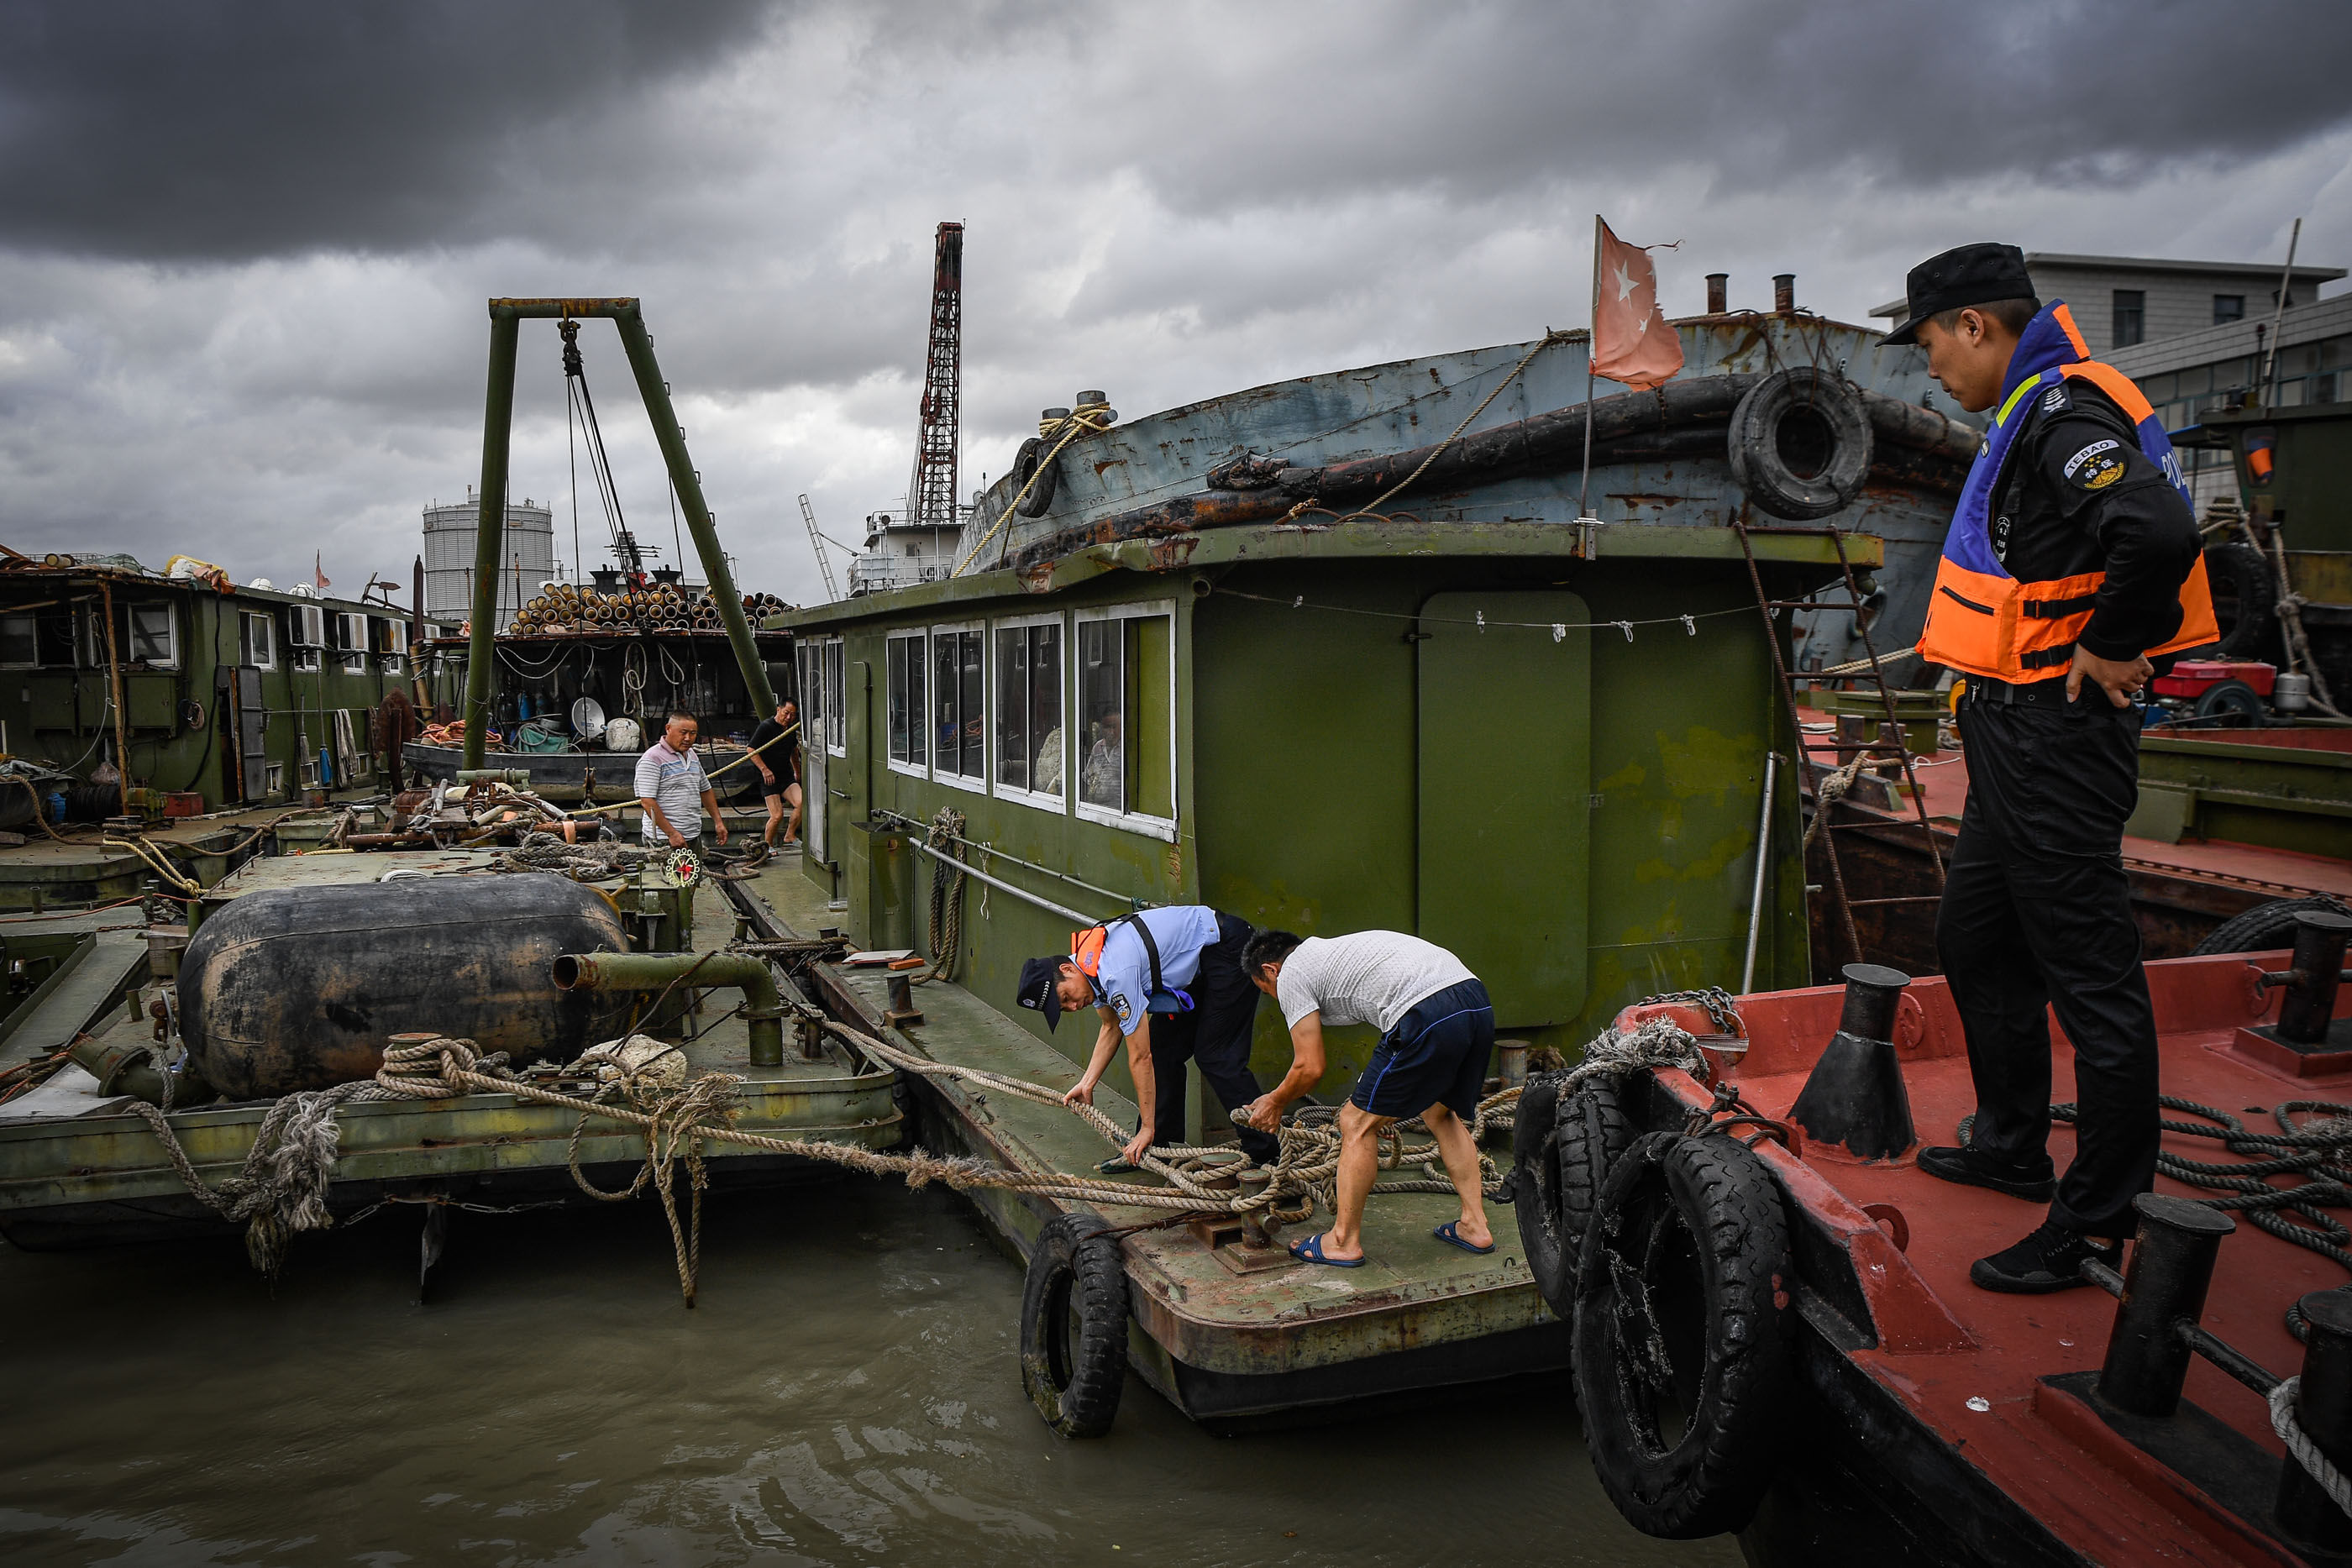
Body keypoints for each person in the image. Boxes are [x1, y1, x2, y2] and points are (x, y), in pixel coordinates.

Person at [1887, 243, 2215, 1293]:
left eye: (1932, 343)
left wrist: (2116, 640)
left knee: (2091, 976)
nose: (1929, 366)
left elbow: (2158, 528)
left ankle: (2096, 1218)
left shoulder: (2064, 416)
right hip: (2010, 730)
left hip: (2055, 738)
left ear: (1976, 327)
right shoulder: (2029, 407)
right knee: (1974, 934)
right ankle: (2012, 1141)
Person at [1232, 928, 1494, 1267]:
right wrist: (1382, 1108)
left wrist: (1275, 1101)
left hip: (1426, 1009)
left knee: (1354, 1122)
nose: (1275, 998)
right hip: (1474, 1002)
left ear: (1270, 970)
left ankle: (1342, 1241)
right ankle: (1475, 1225)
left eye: (1266, 990)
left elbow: (1309, 1067)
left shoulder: (1292, 972)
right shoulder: (1332, 955)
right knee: (1439, 1113)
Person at [1012, 905, 1278, 1170]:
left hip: (1229, 947)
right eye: (1064, 1008)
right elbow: (1110, 1026)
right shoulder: (1088, 968)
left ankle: (1266, 1153)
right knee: (1165, 1049)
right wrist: (1087, 1083)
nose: (1072, 1007)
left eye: (1066, 998)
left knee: (1217, 1056)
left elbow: (1141, 1056)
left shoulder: (1115, 972)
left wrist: (1147, 1126)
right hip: (1202, 960)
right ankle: (1153, 1148)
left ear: (1067, 970)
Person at [633, 708, 728, 854]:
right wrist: (671, 834)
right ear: (668, 729)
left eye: (693, 733)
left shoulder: (692, 756)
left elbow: (705, 789)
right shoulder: (652, 759)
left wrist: (718, 822)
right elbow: (647, 801)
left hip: (693, 835)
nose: (688, 738)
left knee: (693, 876)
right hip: (663, 839)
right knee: (672, 877)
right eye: (683, 733)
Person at [747, 697, 803, 851]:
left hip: (785, 776)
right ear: (778, 709)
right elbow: (751, 750)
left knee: (802, 802)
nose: (789, 718)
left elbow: (794, 751)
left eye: (793, 715)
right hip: (768, 778)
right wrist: (765, 770)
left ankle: (790, 835)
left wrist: (797, 772)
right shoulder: (766, 727)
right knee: (777, 815)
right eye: (786, 713)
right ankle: (768, 845)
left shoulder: (790, 729)